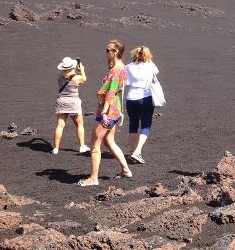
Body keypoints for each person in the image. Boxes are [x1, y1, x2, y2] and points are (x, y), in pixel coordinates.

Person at [78, 40, 132, 186]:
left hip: (108, 111)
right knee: (109, 141)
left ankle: (94, 178)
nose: (107, 52)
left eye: (109, 50)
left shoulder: (116, 69)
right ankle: (126, 170)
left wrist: (103, 113)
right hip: (115, 110)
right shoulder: (120, 67)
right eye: (106, 50)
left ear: (116, 52)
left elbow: (111, 92)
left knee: (95, 145)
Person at [125, 46, 159, 164]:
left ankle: (133, 151)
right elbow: (156, 72)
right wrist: (148, 61)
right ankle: (137, 151)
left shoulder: (128, 67)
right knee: (146, 124)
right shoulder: (150, 65)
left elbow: (125, 80)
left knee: (133, 124)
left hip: (131, 98)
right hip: (145, 98)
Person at [51, 57, 90, 155]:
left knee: (60, 125)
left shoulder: (60, 76)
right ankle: (82, 146)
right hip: (73, 102)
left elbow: (67, 74)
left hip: (61, 101)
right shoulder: (77, 78)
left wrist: (75, 69)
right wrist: (82, 70)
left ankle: (55, 148)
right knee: (79, 125)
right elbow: (84, 79)